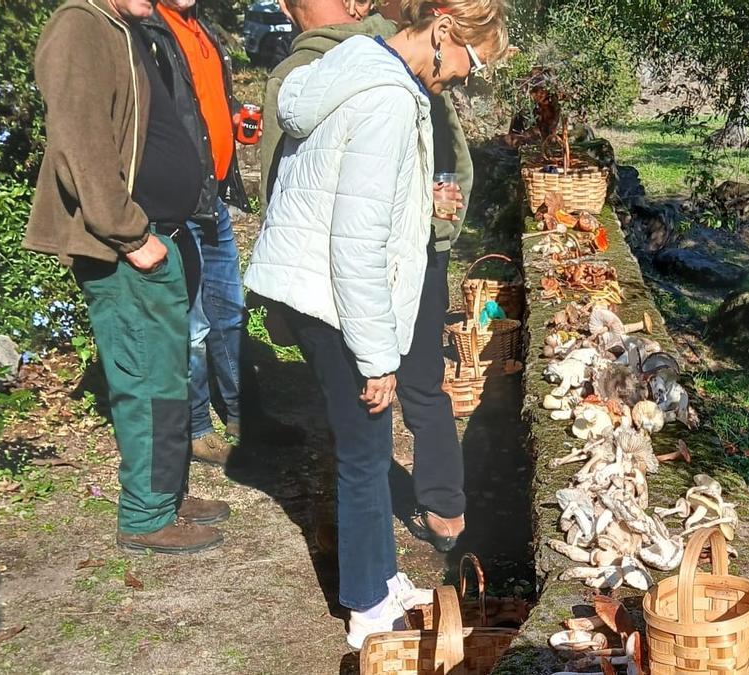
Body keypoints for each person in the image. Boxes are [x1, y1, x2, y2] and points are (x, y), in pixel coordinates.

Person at [244, 0, 508, 646]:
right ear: (443, 31)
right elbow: (357, 243)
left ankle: (382, 577)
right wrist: (377, 356)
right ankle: (367, 608)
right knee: (365, 454)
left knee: (367, 441)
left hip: (323, 289)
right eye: (472, 60)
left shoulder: (363, 66)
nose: (469, 76)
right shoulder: (388, 101)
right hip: (329, 295)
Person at [263, 0, 476, 552]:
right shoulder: (331, 66)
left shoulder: (419, 68)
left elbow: (442, 152)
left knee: (424, 380)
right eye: (470, 57)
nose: (466, 72)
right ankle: (356, 532)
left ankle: (439, 498)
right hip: (353, 266)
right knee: (359, 412)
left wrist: (429, 200)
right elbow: (294, 179)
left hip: (415, 251)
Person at [26, 0, 228, 554]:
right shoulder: (80, 26)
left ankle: (165, 493)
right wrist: (129, 234)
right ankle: (145, 515)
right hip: (125, 246)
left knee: (167, 376)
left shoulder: (125, 27)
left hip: (155, 238)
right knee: (146, 382)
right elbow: (78, 142)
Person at [138, 0, 248, 464]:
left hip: (213, 196)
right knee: (194, 324)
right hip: (179, 204)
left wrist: (235, 115)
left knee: (230, 310)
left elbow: (205, 102)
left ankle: (243, 415)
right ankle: (199, 427)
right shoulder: (149, 29)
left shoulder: (201, 28)